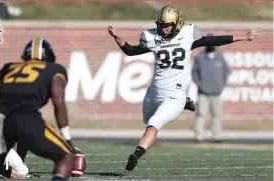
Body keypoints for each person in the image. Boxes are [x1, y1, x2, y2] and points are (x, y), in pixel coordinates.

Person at [107, 5, 260, 172]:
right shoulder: (152, 37)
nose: (164, 29)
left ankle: (135, 155)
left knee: (153, 123)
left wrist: (244, 37)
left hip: (174, 95)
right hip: (154, 92)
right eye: (161, 25)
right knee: (147, 119)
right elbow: (130, 51)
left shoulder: (188, 36)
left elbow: (214, 40)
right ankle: (186, 102)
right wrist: (117, 37)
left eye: (168, 25)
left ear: (177, 24)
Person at [0, 37, 78, 181]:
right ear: (49, 56)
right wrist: (66, 136)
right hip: (25, 116)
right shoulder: (55, 69)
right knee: (68, 155)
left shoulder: (9, 67)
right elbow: (58, 98)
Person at [192, 43, 230, 143]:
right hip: (203, 93)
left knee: (217, 115)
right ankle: (199, 136)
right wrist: (200, 86)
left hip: (216, 93)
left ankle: (216, 136)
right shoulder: (200, 57)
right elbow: (194, 73)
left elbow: (226, 72)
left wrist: (221, 86)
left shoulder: (220, 57)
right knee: (201, 114)